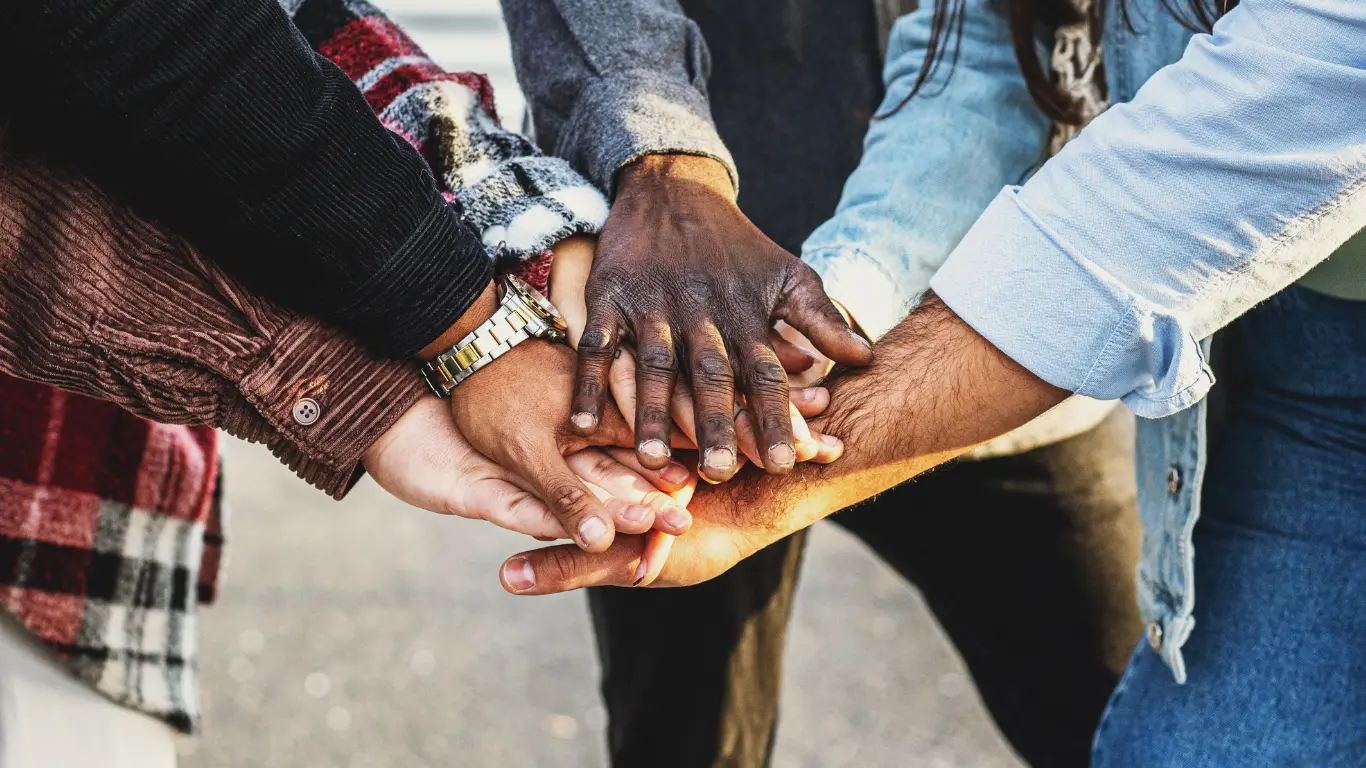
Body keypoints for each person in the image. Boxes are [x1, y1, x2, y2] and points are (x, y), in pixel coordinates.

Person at [504, 0, 1366, 764]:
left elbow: (1248, 135)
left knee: (1101, 702)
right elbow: (986, 55)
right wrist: (838, 306)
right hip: (733, 303)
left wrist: (812, 458)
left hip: (1039, 316)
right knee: (686, 730)